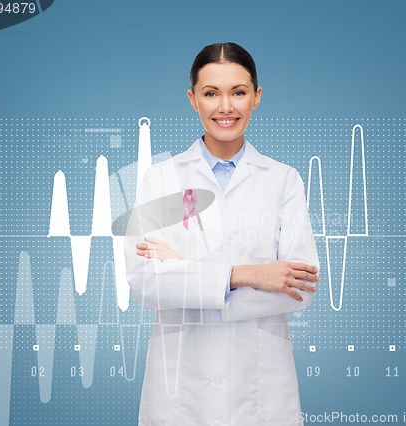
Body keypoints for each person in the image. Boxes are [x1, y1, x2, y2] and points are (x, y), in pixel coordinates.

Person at [124, 42, 320, 426]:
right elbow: (146, 281)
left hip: (261, 393)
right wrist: (245, 276)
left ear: (257, 97)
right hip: (180, 395)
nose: (225, 107)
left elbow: (300, 288)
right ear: (192, 99)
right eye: (211, 93)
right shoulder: (162, 179)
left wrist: (185, 273)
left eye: (239, 92)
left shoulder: (284, 181)